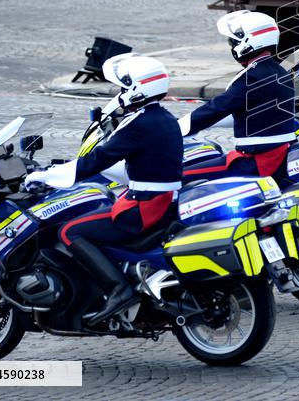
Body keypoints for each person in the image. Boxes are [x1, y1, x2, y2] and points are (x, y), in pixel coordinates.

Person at [24, 55, 183, 326]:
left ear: (137, 88)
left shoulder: (139, 123)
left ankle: (118, 289)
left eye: (124, 87)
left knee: (69, 230)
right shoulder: (165, 118)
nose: (121, 93)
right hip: (164, 203)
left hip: (143, 208)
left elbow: (96, 158)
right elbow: (142, 168)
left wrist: (46, 176)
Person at [178, 11, 296, 179]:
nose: (233, 47)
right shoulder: (280, 71)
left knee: (180, 175)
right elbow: (248, 112)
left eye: (234, 42)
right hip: (277, 156)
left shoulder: (251, 77)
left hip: (256, 162)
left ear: (248, 42)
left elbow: (216, 108)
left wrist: (173, 130)